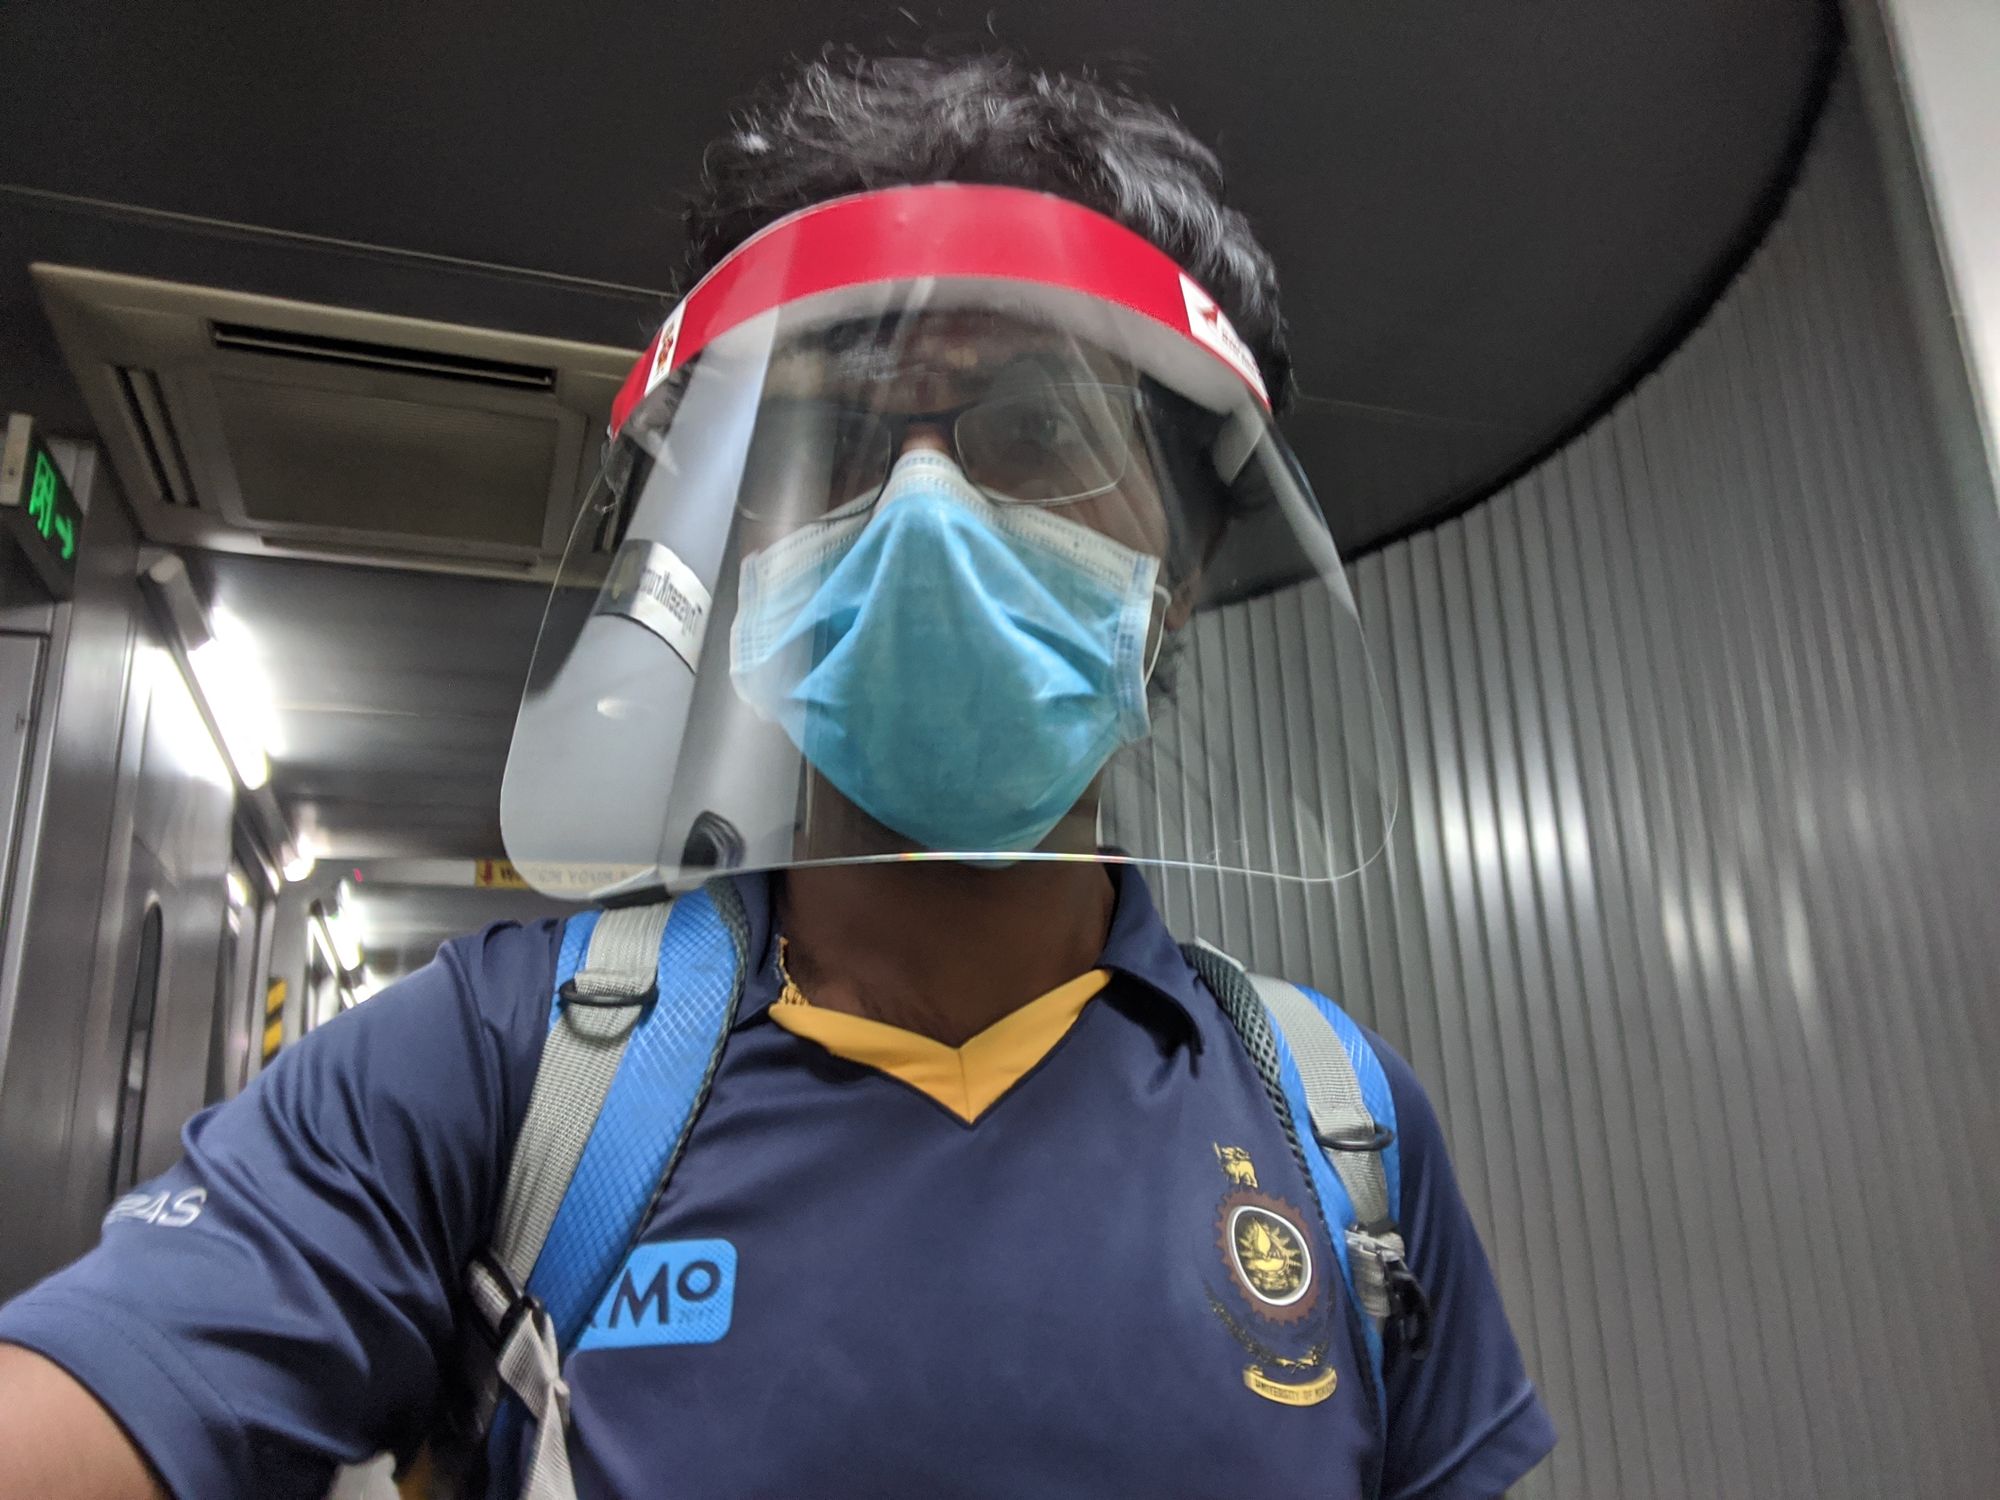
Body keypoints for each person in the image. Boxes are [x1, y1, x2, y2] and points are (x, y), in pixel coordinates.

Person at [0, 52, 1556, 1500]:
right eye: (836, 444)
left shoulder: (1339, 1132)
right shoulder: (497, 1073)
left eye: (1034, 428)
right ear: (740, 555)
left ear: (1180, 575)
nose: (924, 514)